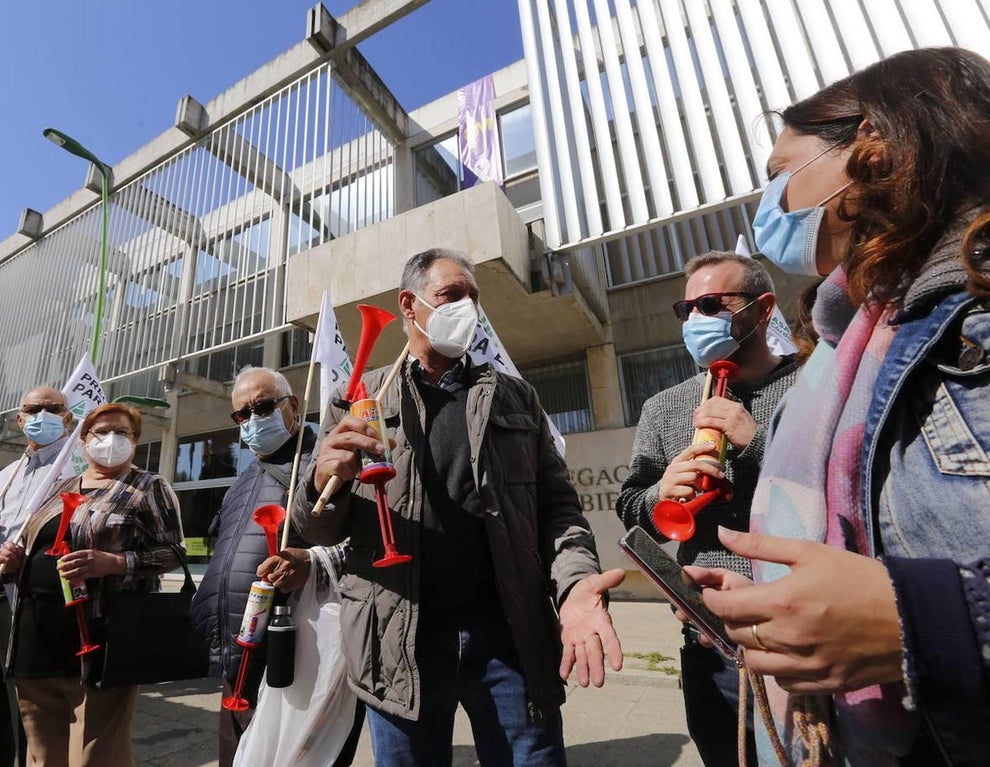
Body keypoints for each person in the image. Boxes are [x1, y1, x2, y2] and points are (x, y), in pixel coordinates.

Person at [687, 47, 990, 765]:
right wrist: (776, 597)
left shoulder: (970, 317)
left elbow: (913, 592)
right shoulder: (842, 341)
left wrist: (922, 617)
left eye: (777, 177)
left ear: (872, 151)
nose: (768, 207)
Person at [292, 247, 625, 766]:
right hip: (399, 642)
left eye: (474, 297)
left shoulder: (515, 399)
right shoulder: (356, 400)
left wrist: (577, 585)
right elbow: (313, 528)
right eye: (452, 295)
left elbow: (558, 509)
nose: (467, 308)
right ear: (410, 304)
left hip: (508, 638)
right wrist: (319, 479)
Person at [616, 251, 801, 767]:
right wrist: (660, 495)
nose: (697, 319)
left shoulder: (813, 384)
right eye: (687, 309)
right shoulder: (664, 406)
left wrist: (757, 443)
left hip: (800, 630)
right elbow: (630, 507)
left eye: (712, 304)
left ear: (762, 309)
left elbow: (838, 489)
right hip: (709, 642)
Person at [0, 402, 184, 766]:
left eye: (122, 432)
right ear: (83, 441)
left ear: (136, 441)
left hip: (100, 636)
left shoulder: (148, 486)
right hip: (36, 636)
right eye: (102, 432)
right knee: (42, 752)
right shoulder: (60, 487)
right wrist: (16, 562)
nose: (111, 439)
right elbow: (41, 545)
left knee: (96, 754)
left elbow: (174, 552)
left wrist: (113, 562)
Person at [189, 365, 362, 765]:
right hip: (241, 648)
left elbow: (365, 543)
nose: (251, 420)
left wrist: (313, 562)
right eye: (241, 414)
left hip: (300, 649)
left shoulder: (325, 464)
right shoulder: (241, 481)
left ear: (293, 406)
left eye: (262, 406)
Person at [0, 386, 74, 766]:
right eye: (32, 409)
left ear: (67, 418)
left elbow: (79, 534)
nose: (42, 415)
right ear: (20, 419)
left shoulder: (77, 470)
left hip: (28, 600)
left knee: (26, 706)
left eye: (52, 408)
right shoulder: (6, 474)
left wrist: (32, 560)